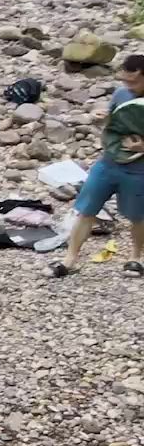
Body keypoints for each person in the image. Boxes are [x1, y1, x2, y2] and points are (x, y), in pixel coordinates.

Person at [50, 53, 144, 278]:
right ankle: (70, 259)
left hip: (138, 169)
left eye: (134, 81)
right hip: (108, 162)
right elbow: (113, 120)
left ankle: (135, 258)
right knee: (86, 209)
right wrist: (99, 117)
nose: (128, 86)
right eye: (125, 80)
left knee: (138, 216)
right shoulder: (122, 93)